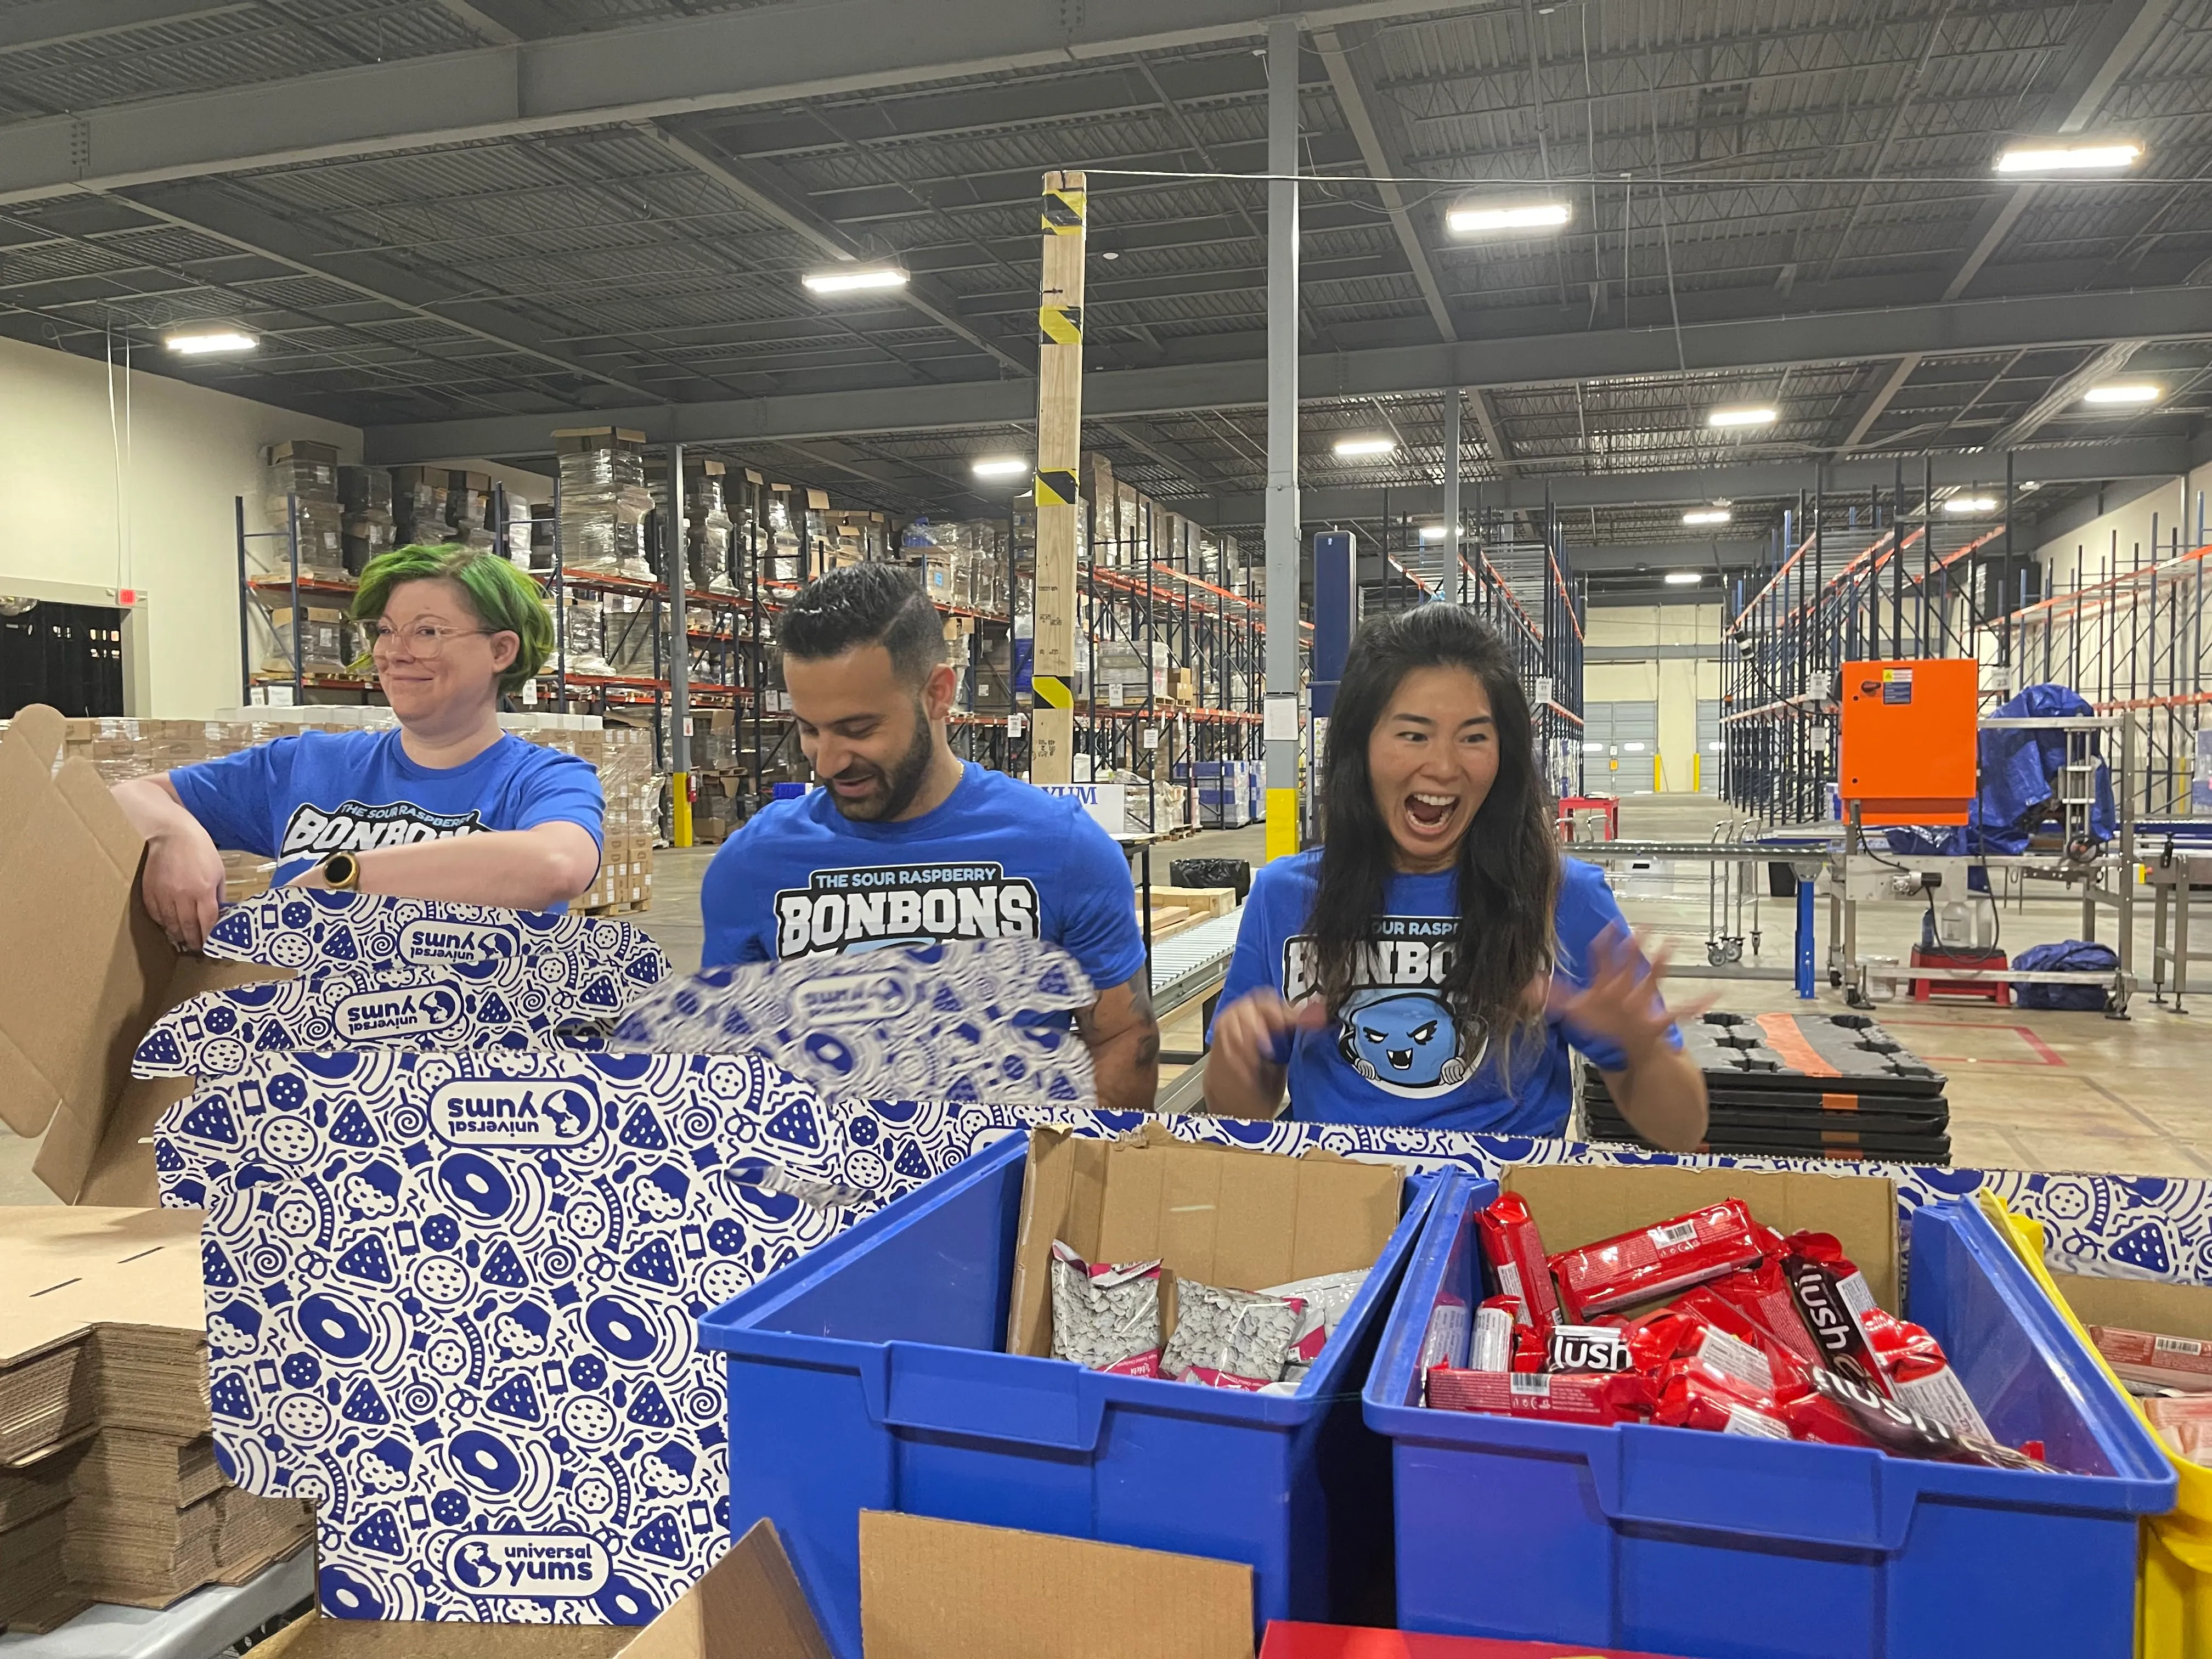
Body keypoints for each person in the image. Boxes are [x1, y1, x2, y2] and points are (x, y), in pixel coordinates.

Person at [1204, 604, 1708, 1149]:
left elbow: (1681, 1131)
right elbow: (1239, 1115)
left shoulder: (1563, 899)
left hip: (1503, 1218)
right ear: (1359, 748)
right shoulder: (1287, 896)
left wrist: (1640, 1049)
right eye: (1414, 736)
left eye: (1473, 738)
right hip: (1340, 1210)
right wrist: (1238, 1051)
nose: (1444, 767)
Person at [699, 563, 1159, 1110]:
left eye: (858, 729)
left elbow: (1123, 1038)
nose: (828, 760)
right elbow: (727, 1061)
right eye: (808, 729)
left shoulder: (1062, 849)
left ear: (939, 694)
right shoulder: (752, 866)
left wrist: (1057, 1182)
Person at [116, 544, 605, 951]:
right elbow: (126, 797)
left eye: (428, 632)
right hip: (299, 1051)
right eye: (386, 631)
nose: (394, 652)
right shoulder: (307, 765)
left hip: (469, 1055)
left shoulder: (544, 779)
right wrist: (173, 835)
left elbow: (557, 864)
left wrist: (340, 882)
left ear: (501, 650)